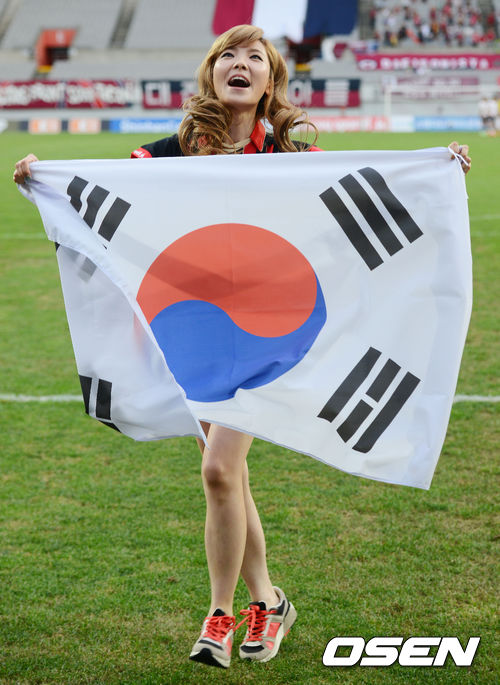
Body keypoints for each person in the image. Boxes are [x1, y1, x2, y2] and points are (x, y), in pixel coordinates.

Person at [13, 24, 472, 671]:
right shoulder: (171, 153)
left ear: (269, 80)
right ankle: (270, 600)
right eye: (228, 54)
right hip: (197, 332)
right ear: (211, 72)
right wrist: (42, 178)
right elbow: (103, 196)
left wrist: (434, 172)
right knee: (228, 476)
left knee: (218, 470)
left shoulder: (289, 156)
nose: (240, 62)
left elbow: (358, 197)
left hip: (272, 333)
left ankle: (220, 614)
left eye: (254, 56)